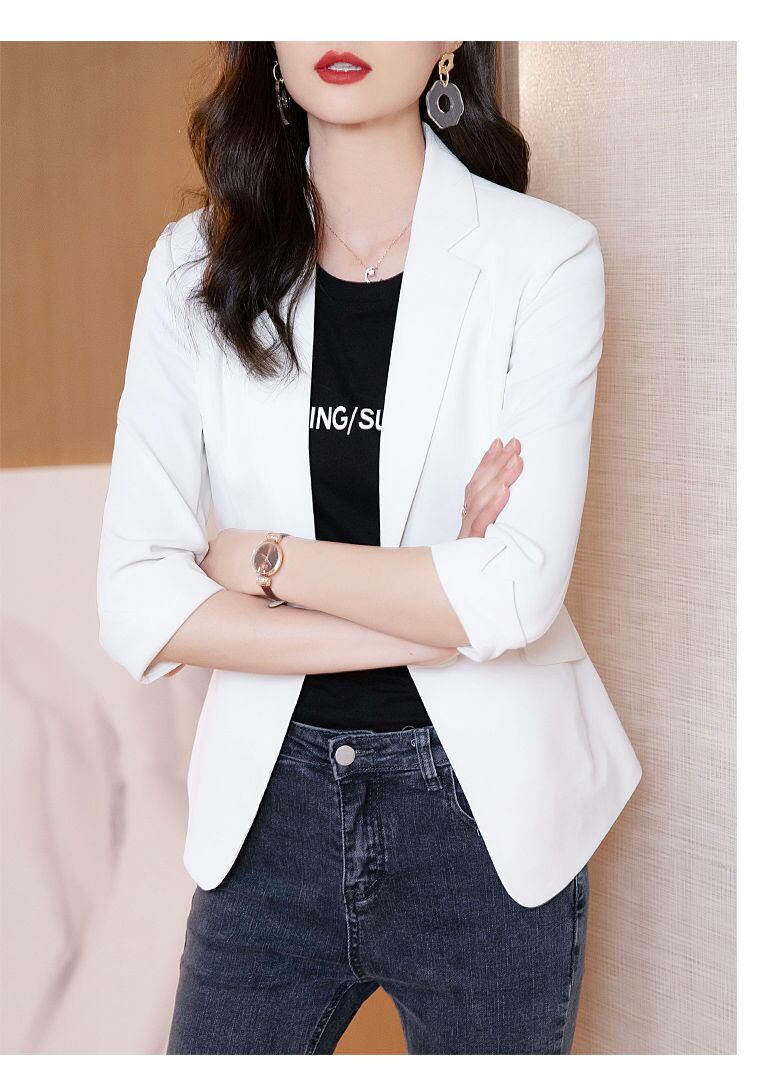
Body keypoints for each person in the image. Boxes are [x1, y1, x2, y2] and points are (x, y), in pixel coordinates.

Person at [96, 41, 642, 1055]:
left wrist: (262, 560)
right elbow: (136, 598)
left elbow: (516, 593)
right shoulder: (191, 265)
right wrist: (433, 613)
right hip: (268, 813)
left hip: (483, 822)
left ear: (446, 37)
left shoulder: (545, 257)